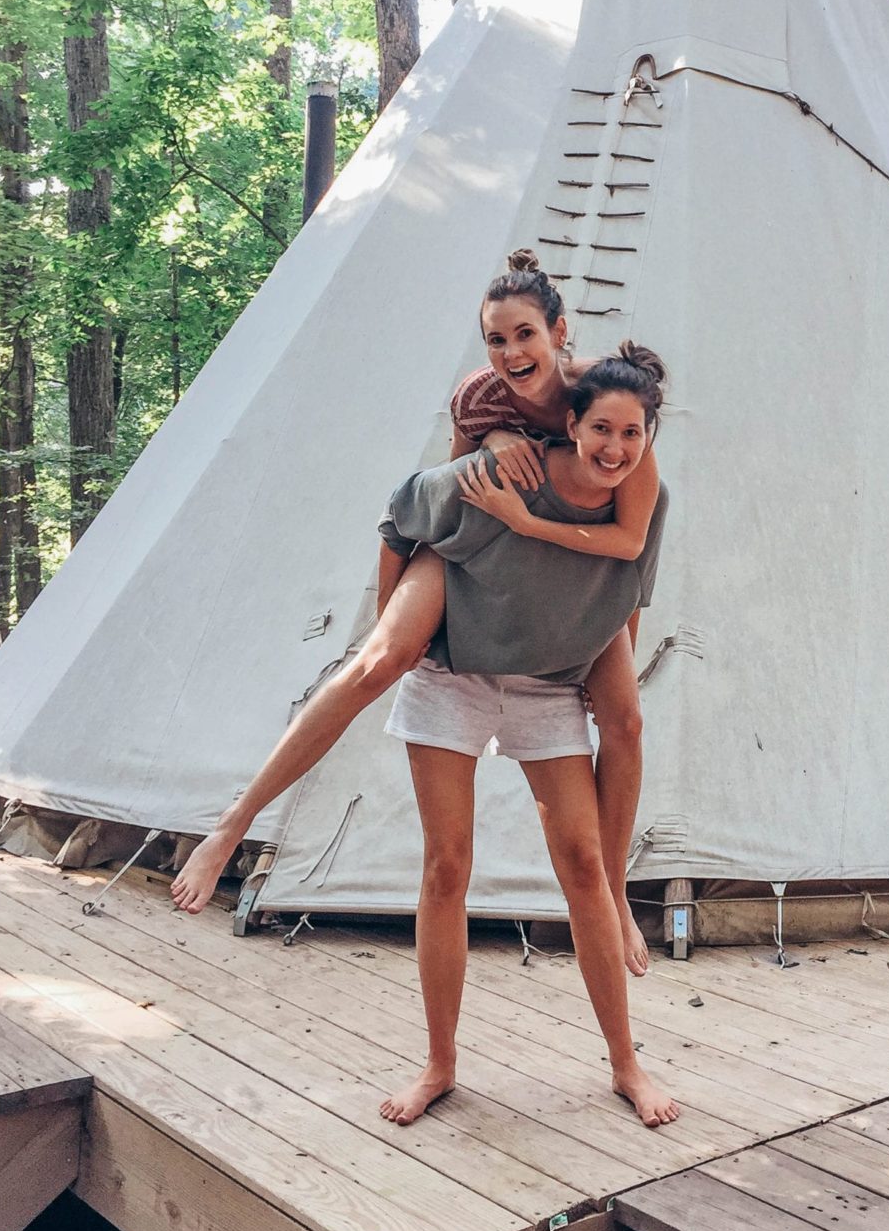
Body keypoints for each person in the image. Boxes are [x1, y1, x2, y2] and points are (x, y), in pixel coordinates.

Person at [172, 253, 659, 977]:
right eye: (495, 339)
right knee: (375, 665)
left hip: (569, 571)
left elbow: (632, 552)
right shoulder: (478, 396)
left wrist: (603, 646)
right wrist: (393, 614)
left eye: (524, 335)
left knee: (624, 719)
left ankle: (613, 895)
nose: (510, 353)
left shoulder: (605, 402)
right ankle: (233, 824)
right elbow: (435, 499)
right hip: (469, 545)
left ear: (560, 332)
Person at [368, 344, 677, 1128]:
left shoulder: (643, 504)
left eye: (630, 434)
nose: (613, 446)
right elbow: (405, 519)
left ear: (648, 439)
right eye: (600, 427)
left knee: (581, 862)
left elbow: (622, 596)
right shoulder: (504, 468)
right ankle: (439, 1063)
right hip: (458, 673)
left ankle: (626, 1063)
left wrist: (603, 691)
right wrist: (391, 629)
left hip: (546, 682)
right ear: (570, 424)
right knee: (447, 865)